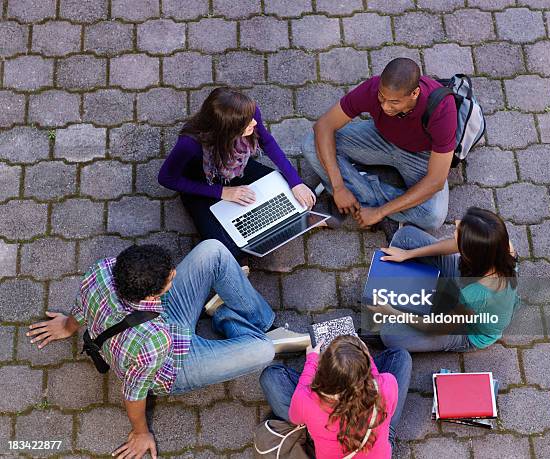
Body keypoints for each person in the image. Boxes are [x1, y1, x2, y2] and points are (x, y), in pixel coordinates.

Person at [26, 240, 307, 459]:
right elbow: (133, 392)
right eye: (169, 280)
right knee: (263, 352)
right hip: (174, 364)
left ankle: (263, 321)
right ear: (151, 293)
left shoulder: (104, 270)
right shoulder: (150, 343)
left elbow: (84, 305)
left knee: (213, 251)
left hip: (160, 316)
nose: (175, 275)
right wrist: (141, 432)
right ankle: (226, 317)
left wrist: (68, 326)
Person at [301, 58, 457, 234]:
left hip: (421, 155)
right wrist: (338, 187)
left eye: (394, 102)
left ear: (414, 94)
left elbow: (435, 181)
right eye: (382, 97)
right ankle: (361, 198)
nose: (385, 106)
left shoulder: (443, 109)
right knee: (309, 144)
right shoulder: (373, 87)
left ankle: (362, 199)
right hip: (381, 138)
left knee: (433, 216)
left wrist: (380, 212)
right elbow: (324, 126)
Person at [159, 87, 316, 259]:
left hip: (236, 170)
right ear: (227, 131)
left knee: (305, 195)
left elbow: (267, 142)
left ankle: (285, 223)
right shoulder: (189, 144)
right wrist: (222, 192)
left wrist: (295, 182)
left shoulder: (250, 113)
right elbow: (167, 178)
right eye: (247, 124)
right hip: (201, 184)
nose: (254, 123)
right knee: (224, 252)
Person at [373, 207, 520, 352]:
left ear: (470, 254)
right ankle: (419, 286)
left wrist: (391, 311)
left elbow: (434, 327)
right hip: (468, 280)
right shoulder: (504, 248)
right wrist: (408, 254)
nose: (455, 225)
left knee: (390, 335)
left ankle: (415, 296)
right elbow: (456, 245)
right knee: (406, 236)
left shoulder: (477, 294)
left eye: (459, 235)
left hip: (466, 330)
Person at [259, 335, 411, 458]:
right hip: (376, 439)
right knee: (400, 356)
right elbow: (377, 381)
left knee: (270, 376)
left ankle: (311, 432)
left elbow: (294, 418)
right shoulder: (387, 384)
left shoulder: (306, 399)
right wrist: (364, 357)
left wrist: (311, 360)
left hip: (326, 437)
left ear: (323, 370)